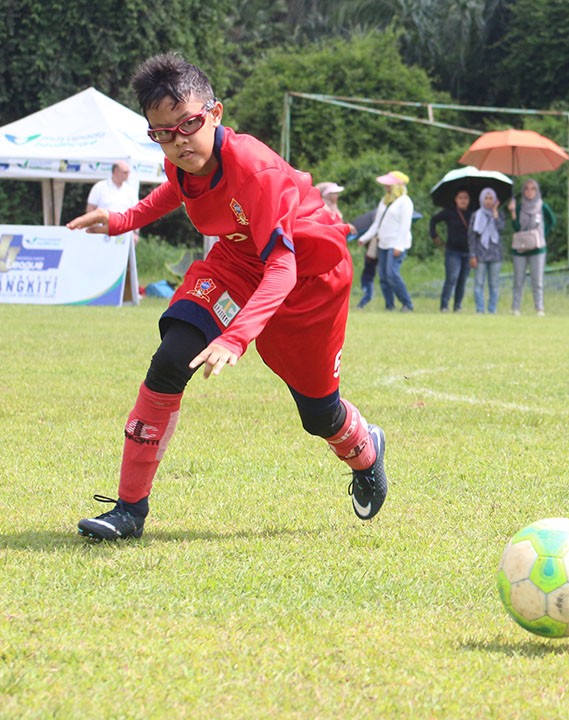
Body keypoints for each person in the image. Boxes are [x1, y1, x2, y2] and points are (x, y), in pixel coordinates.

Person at [65, 52, 390, 540]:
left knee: (318, 413)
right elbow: (175, 191)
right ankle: (130, 511)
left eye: (188, 124)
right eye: (162, 132)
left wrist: (234, 338)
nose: (177, 141)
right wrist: (120, 220)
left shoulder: (256, 172)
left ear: (215, 114)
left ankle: (366, 449)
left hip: (309, 282)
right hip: (237, 263)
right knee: (171, 358)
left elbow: (282, 267)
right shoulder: (181, 157)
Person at [356, 171, 414, 312]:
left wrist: (399, 246)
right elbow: (377, 223)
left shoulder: (405, 202)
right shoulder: (385, 200)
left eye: (389, 184)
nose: (386, 187)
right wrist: (364, 238)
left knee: (392, 274)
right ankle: (390, 305)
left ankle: (407, 304)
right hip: (383, 243)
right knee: (383, 276)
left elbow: (404, 226)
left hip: (396, 244)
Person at [508, 178, 556, 316]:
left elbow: (552, 221)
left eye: (532, 188)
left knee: (537, 280)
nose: (529, 192)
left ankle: (539, 308)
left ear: (537, 191)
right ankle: (515, 308)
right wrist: (512, 213)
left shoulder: (542, 207)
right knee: (518, 279)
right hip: (520, 248)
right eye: (526, 189)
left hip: (538, 249)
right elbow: (516, 227)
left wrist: (541, 235)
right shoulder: (519, 207)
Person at [430, 189, 472, 313]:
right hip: (453, 251)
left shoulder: (473, 213)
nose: (463, 200)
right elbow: (433, 220)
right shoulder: (450, 213)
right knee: (452, 277)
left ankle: (458, 305)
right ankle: (444, 305)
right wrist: (434, 236)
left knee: (462, 280)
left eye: (465, 198)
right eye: (460, 198)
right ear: (456, 199)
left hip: (468, 251)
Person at [468, 187, 505, 314]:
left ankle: (492, 310)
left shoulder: (499, 214)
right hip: (480, 254)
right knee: (479, 283)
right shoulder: (476, 215)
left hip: (495, 254)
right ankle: (480, 309)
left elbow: (501, 229)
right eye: (486, 198)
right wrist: (472, 254)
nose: (488, 201)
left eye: (491, 198)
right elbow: (472, 236)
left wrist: (495, 215)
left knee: (494, 284)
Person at [86, 161, 140, 243]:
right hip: (102, 232)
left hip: (124, 234)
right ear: (116, 171)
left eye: (128, 172)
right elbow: (90, 208)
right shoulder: (100, 187)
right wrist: (94, 228)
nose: (128, 174)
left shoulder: (131, 191)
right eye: (125, 172)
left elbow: (136, 214)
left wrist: (136, 233)